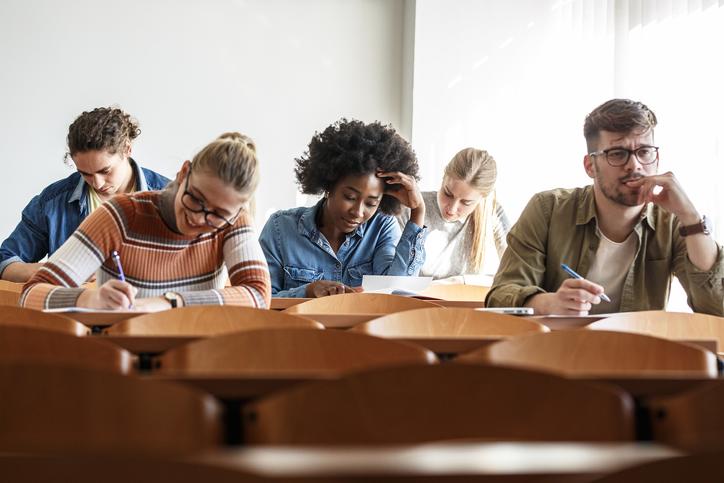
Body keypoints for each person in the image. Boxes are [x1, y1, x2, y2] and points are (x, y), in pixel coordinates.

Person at [487, 98, 723, 316]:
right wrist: (549, 303)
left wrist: (691, 218)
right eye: (618, 154)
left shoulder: (673, 222)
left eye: (644, 152)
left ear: (657, 159)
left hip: (638, 356)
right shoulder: (548, 210)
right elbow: (499, 296)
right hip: (558, 352)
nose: (634, 165)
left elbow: (716, 308)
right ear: (590, 165)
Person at [21, 132, 271, 311]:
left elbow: (259, 296)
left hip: (196, 362)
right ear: (184, 173)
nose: (198, 218)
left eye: (217, 214)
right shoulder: (120, 214)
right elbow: (31, 293)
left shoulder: (234, 222)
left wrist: (171, 302)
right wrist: (88, 299)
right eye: (195, 199)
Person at [259, 118, 427, 298]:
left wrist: (418, 211)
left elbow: (397, 293)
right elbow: (262, 301)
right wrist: (307, 291)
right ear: (329, 186)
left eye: (371, 203)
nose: (358, 211)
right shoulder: (280, 228)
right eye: (350, 197)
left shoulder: (381, 227)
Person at [0, 107, 170, 282]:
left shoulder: (170, 198)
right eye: (85, 173)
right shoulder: (52, 203)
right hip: (75, 308)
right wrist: (53, 271)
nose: (97, 183)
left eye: (105, 171)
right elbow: (6, 262)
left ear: (127, 149)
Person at [397, 147, 510, 281]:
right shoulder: (409, 207)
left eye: (466, 202)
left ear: (482, 198)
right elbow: (394, 277)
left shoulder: (492, 214)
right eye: (448, 193)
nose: (452, 208)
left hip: (468, 300)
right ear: (444, 177)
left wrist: (461, 281)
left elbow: (514, 275)